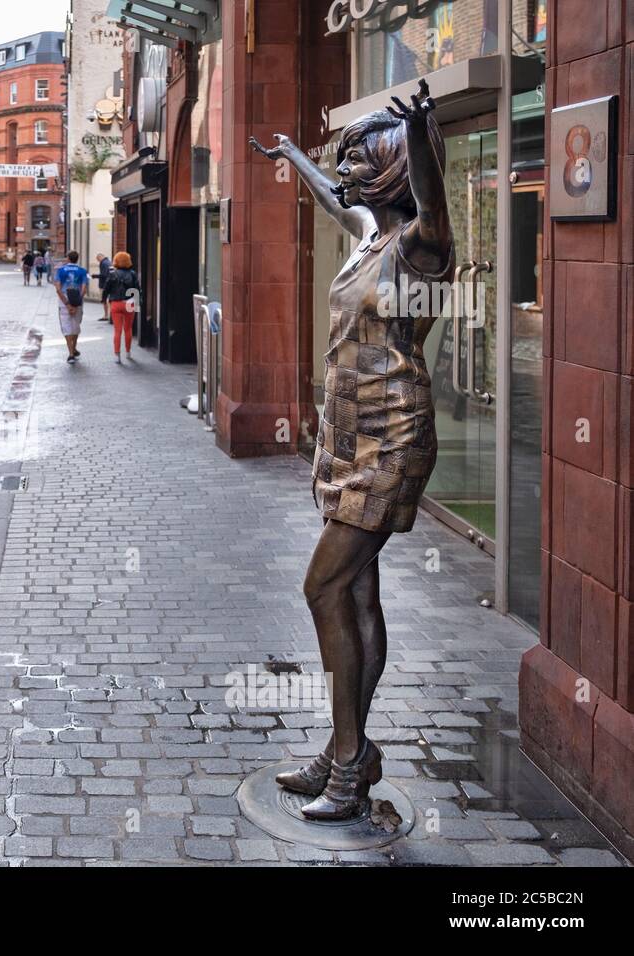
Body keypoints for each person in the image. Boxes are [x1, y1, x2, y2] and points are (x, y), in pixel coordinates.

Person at [249, 79, 454, 820]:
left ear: (400, 164)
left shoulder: (423, 250)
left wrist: (426, 136)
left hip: (392, 441)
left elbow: (433, 207)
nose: (354, 176)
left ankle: (347, 760)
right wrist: (293, 157)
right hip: (345, 438)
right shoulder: (371, 234)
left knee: (324, 587)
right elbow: (336, 203)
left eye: (368, 162)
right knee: (358, 593)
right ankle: (349, 750)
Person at [52, 251, 90, 364]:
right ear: (77, 259)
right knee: (75, 326)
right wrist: (77, 302)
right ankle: (74, 348)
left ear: (68, 258)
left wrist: (68, 305)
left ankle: (71, 354)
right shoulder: (83, 271)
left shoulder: (60, 270)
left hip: (64, 302)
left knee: (67, 327)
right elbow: (84, 290)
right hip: (77, 301)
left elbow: (58, 289)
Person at [103, 252, 139, 363]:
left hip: (116, 303)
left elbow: (106, 288)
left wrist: (104, 299)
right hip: (129, 303)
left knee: (117, 330)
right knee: (128, 329)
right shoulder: (132, 274)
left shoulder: (112, 274)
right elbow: (137, 289)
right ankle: (128, 353)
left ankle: (117, 355)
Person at [96, 253, 112, 321]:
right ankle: (109, 315)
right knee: (108, 300)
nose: (98, 261)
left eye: (98, 259)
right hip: (109, 284)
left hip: (104, 285)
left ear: (100, 257)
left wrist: (95, 276)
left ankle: (106, 315)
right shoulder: (109, 262)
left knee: (104, 300)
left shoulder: (103, 263)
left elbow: (104, 275)